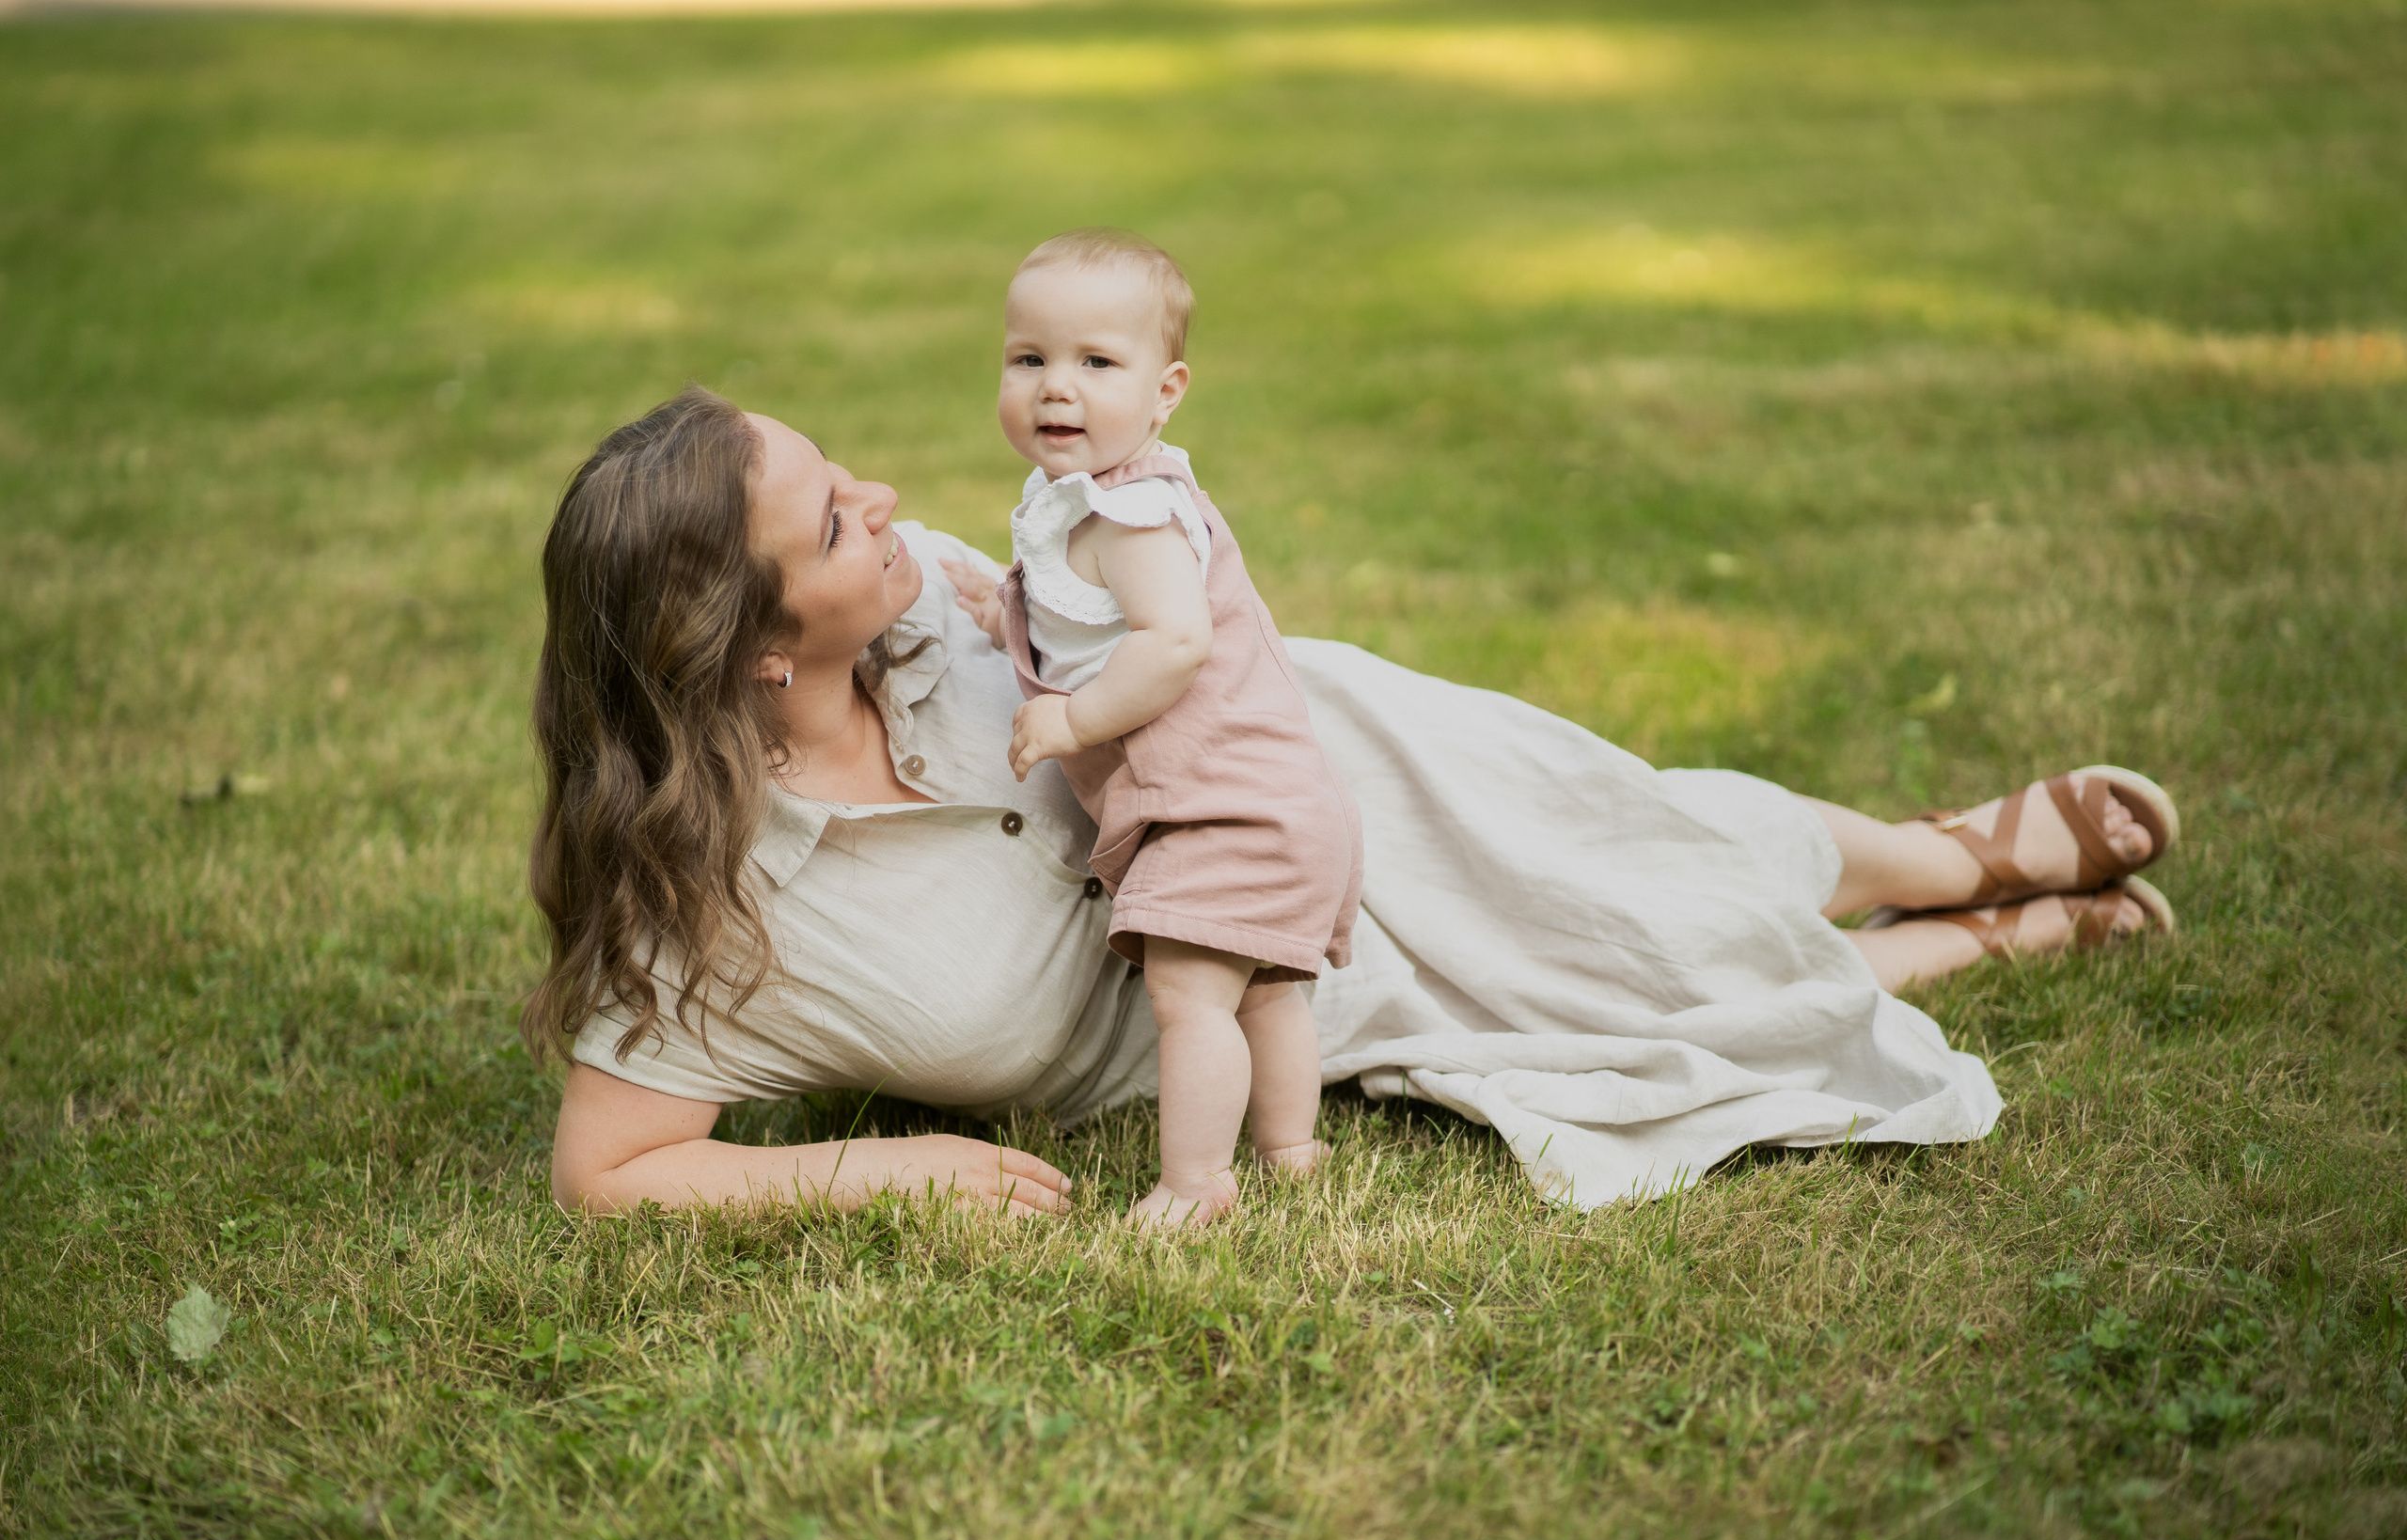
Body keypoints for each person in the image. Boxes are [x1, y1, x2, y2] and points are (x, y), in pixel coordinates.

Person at [535, 387, 2177, 1219]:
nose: (883, 501)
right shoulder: (712, 918)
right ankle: (1968, 945)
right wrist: (873, 1172)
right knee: (1617, 1015)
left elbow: (1157, 617)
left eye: (845, 473)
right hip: (1252, 995)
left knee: (1603, 842)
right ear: (748, 654)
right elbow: (606, 1169)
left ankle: (1931, 852)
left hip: (1315, 774)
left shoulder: (944, 594)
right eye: (832, 520)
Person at [961, 229, 1361, 1227]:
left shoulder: (1135, 517)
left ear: (1166, 390)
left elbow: (1173, 642)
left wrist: (1072, 720)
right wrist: (998, 610)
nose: (1057, 387)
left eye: (1097, 362)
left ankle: (1196, 1185)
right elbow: (1074, 614)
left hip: (1224, 808)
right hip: (1276, 799)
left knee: (1190, 1002)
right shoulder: (1076, 501)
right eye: (1030, 360)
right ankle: (1292, 1151)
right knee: (1265, 992)